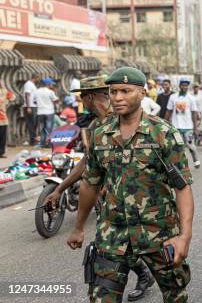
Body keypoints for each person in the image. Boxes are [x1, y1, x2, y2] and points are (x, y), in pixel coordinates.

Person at [66, 67, 194, 303]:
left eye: (125, 91)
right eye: (113, 92)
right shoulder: (100, 134)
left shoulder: (164, 134)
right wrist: (79, 226)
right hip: (112, 234)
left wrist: (184, 236)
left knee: (175, 295)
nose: (117, 98)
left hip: (158, 233)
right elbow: (90, 184)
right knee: (101, 297)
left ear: (143, 93)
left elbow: (183, 187)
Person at [46, 75, 155, 301]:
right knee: (112, 246)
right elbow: (87, 163)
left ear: (89, 97)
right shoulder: (96, 125)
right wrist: (60, 188)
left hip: (142, 202)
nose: (81, 103)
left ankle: (148, 273)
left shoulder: (125, 115)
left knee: (143, 247)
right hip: (113, 202)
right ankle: (142, 274)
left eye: (82, 98)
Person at [165, 78, 201, 169]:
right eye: (183, 85)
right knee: (178, 146)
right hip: (176, 127)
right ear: (180, 86)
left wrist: (195, 128)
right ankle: (180, 164)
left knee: (190, 144)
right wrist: (164, 123)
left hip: (188, 127)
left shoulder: (191, 98)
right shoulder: (173, 97)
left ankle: (195, 159)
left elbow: (194, 113)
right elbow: (168, 111)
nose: (185, 87)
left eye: (186, 85)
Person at [34, 78, 59, 148]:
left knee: (42, 128)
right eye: (52, 84)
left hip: (40, 112)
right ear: (48, 84)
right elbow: (56, 100)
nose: (52, 86)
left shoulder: (36, 91)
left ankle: (42, 143)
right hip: (49, 112)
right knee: (49, 128)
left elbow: (34, 101)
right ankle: (49, 144)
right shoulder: (50, 92)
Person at [23, 75, 40, 145]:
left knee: (34, 123)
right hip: (30, 106)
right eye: (38, 78)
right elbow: (27, 95)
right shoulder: (28, 84)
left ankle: (32, 139)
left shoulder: (32, 85)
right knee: (31, 124)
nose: (38, 80)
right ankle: (33, 140)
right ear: (35, 78)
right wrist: (28, 106)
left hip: (34, 106)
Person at [0, 82, 15, 158]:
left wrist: (8, 96)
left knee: (2, 136)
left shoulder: (4, 91)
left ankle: (1, 152)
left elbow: (13, 97)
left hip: (2, 117)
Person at [191, 83, 202, 148]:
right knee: (192, 130)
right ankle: (192, 144)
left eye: (197, 87)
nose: (196, 88)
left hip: (201, 114)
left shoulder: (201, 93)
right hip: (193, 114)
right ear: (193, 88)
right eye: (195, 87)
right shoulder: (190, 94)